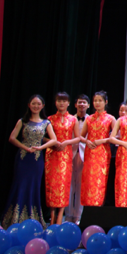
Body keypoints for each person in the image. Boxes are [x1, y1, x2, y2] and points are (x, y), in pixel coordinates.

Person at [1, 95, 58, 228]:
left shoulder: (46, 123)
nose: (36, 106)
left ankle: (33, 219)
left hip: (37, 160)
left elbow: (54, 140)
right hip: (23, 158)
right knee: (20, 186)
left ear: (42, 106)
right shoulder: (22, 121)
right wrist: (25, 147)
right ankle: (15, 219)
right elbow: (12, 138)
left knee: (34, 187)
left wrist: (41, 147)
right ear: (29, 105)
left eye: (38, 104)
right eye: (33, 103)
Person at [46, 92, 81, 225]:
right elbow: (43, 138)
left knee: (63, 185)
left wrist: (66, 142)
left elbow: (78, 137)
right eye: (59, 101)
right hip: (52, 154)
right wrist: (53, 142)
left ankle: (60, 215)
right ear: (55, 103)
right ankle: (52, 216)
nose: (61, 103)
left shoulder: (73, 119)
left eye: (64, 101)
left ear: (68, 103)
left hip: (65, 154)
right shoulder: (49, 119)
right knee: (52, 185)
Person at [79, 91, 116, 207]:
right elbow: (81, 136)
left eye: (100, 100)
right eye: (95, 100)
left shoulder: (110, 118)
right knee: (88, 180)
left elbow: (115, 137)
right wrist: (87, 141)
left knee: (100, 181)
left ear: (106, 102)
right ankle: (87, 208)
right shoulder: (89, 118)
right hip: (90, 153)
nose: (97, 103)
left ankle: (98, 208)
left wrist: (102, 140)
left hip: (102, 153)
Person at [65, 94, 89, 224]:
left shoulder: (90, 119)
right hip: (70, 152)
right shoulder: (69, 119)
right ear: (75, 105)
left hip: (85, 153)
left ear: (88, 105)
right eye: (79, 102)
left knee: (81, 185)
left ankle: (79, 215)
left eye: (84, 102)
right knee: (69, 184)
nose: (81, 104)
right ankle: (68, 215)